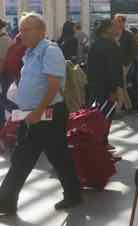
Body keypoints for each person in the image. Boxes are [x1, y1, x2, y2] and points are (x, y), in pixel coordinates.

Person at [0, 13, 82, 215]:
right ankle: (6, 201)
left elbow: (53, 85)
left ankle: (73, 195)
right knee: (27, 157)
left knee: (54, 156)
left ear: (41, 31)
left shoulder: (50, 51)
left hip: (48, 113)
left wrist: (38, 111)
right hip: (31, 114)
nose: (21, 34)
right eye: (21, 29)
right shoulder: (30, 53)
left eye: (27, 29)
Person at [86, 19, 122, 107]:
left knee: (99, 115)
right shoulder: (109, 46)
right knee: (104, 115)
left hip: (96, 88)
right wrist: (113, 90)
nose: (118, 29)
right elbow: (112, 68)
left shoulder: (96, 44)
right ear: (107, 29)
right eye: (115, 27)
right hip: (106, 90)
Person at [0, 19, 12, 124]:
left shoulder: (3, 40)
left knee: (4, 100)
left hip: (5, 75)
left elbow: (2, 62)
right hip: (5, 75)